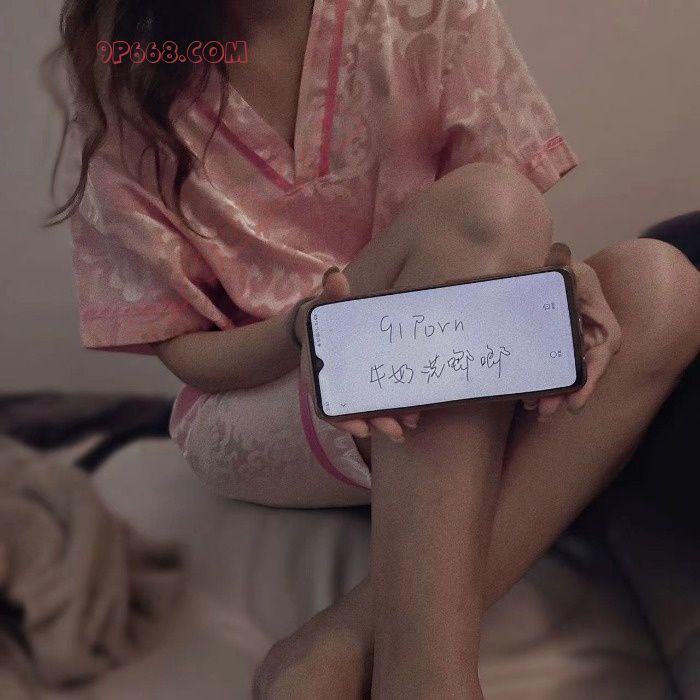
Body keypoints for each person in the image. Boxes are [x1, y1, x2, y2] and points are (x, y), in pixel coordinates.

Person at [50, 0, 700, 696]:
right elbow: (184, 351)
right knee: (482, 217)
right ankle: (427, 677)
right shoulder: (134, 62)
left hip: (447, 355)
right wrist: (304, 332)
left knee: (661, 285)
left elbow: (497, 233)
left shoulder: (429, 12)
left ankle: (344, 637)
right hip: (266, 390)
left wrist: (554, 279)